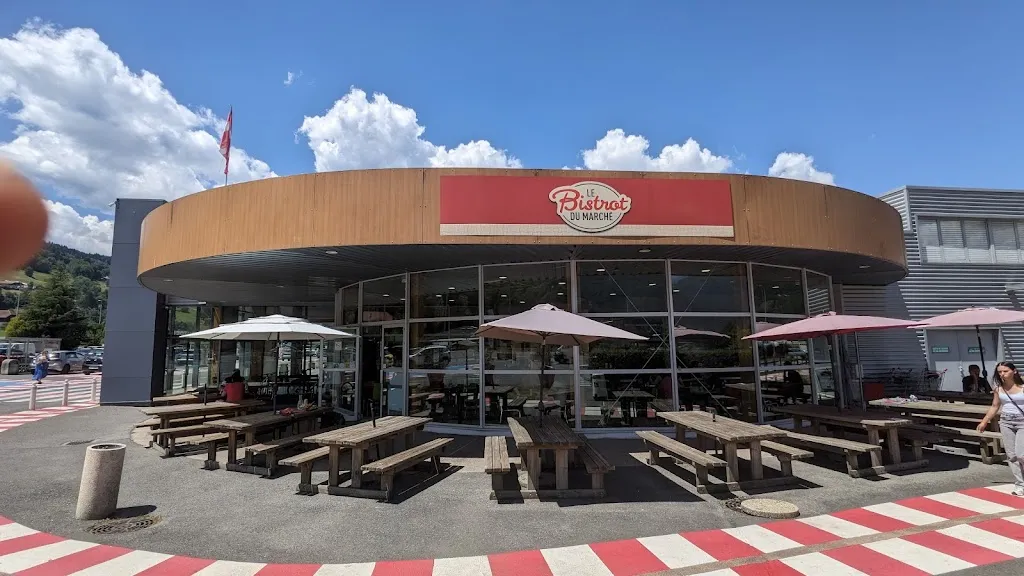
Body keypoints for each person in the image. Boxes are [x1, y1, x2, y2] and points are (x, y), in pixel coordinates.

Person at [977, 361, 1024, 495]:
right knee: (1012, 455)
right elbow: (995, 406)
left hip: (1022, 422)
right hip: (1006, 422)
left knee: (1021, 455)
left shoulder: (1022, 387)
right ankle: (1020, 484)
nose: (1002, 374)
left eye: (1005, 371)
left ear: (1014, 371)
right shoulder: (998, 388)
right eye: (1000, 372)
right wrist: (984, 421)